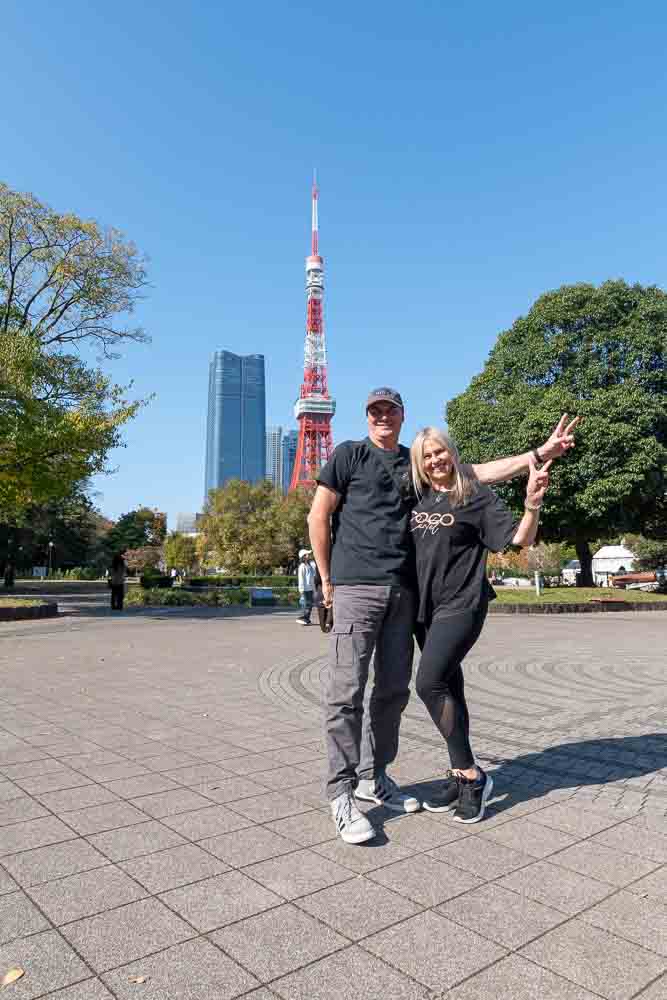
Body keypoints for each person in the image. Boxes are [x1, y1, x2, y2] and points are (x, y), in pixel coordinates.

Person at [308, 387, 578, 845]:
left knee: (395, 691)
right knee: (348, 692)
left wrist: (537, 455)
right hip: (359, 588)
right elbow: (319, 514)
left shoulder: (427, 475)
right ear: (366, 416)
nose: (382, 417)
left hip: (407, 596)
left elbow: (477, 473)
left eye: (389, 410)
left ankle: (377, 778)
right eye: (374, 410)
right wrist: (328, 582)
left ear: (401, 415)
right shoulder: (352, 456)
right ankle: (342, 793)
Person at [410, 427, 551, 823]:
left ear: (452, 454)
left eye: (440, 452)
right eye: (427, 455)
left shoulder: (474, 495)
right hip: (424, 610)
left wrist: (532, 504)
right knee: (450, 687)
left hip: (462, 604)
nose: (435, 460)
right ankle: (460, 773)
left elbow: (519, 540)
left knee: (428, 683)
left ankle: (472, 777)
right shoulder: (418, 496)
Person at [296, 548, 315, 626]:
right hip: (305, 589)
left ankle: (306, 619)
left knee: (310, 604)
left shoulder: (309, 565)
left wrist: (314, 589)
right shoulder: (302, 566)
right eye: (307, 554)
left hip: (310, 588)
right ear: (303, 557)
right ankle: (302, 617)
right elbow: (301, 578)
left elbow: (312, 577)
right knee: (306, 604)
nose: (309, 555)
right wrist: (301, 590)